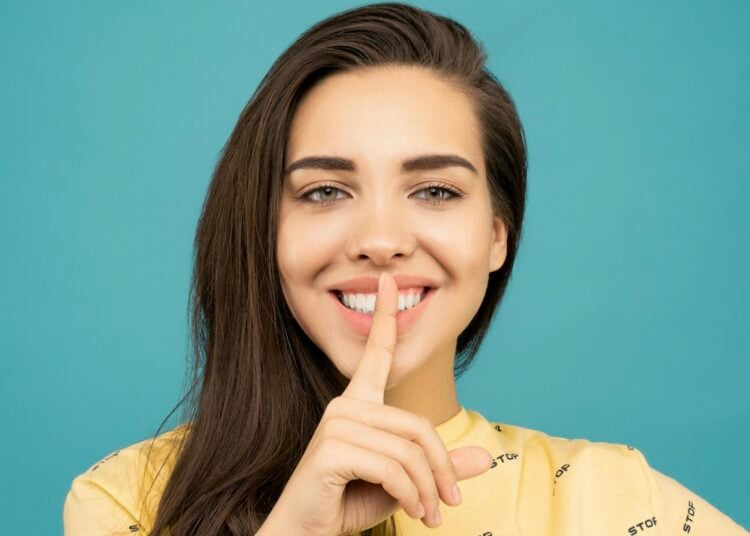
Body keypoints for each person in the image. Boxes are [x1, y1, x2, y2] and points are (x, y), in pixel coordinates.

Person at [63, 3, 748, 535]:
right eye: (325, 191)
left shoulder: (618, 503)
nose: (382, 241)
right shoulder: (126, 499)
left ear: (495, 238)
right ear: (265, 233)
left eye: (436, 191)